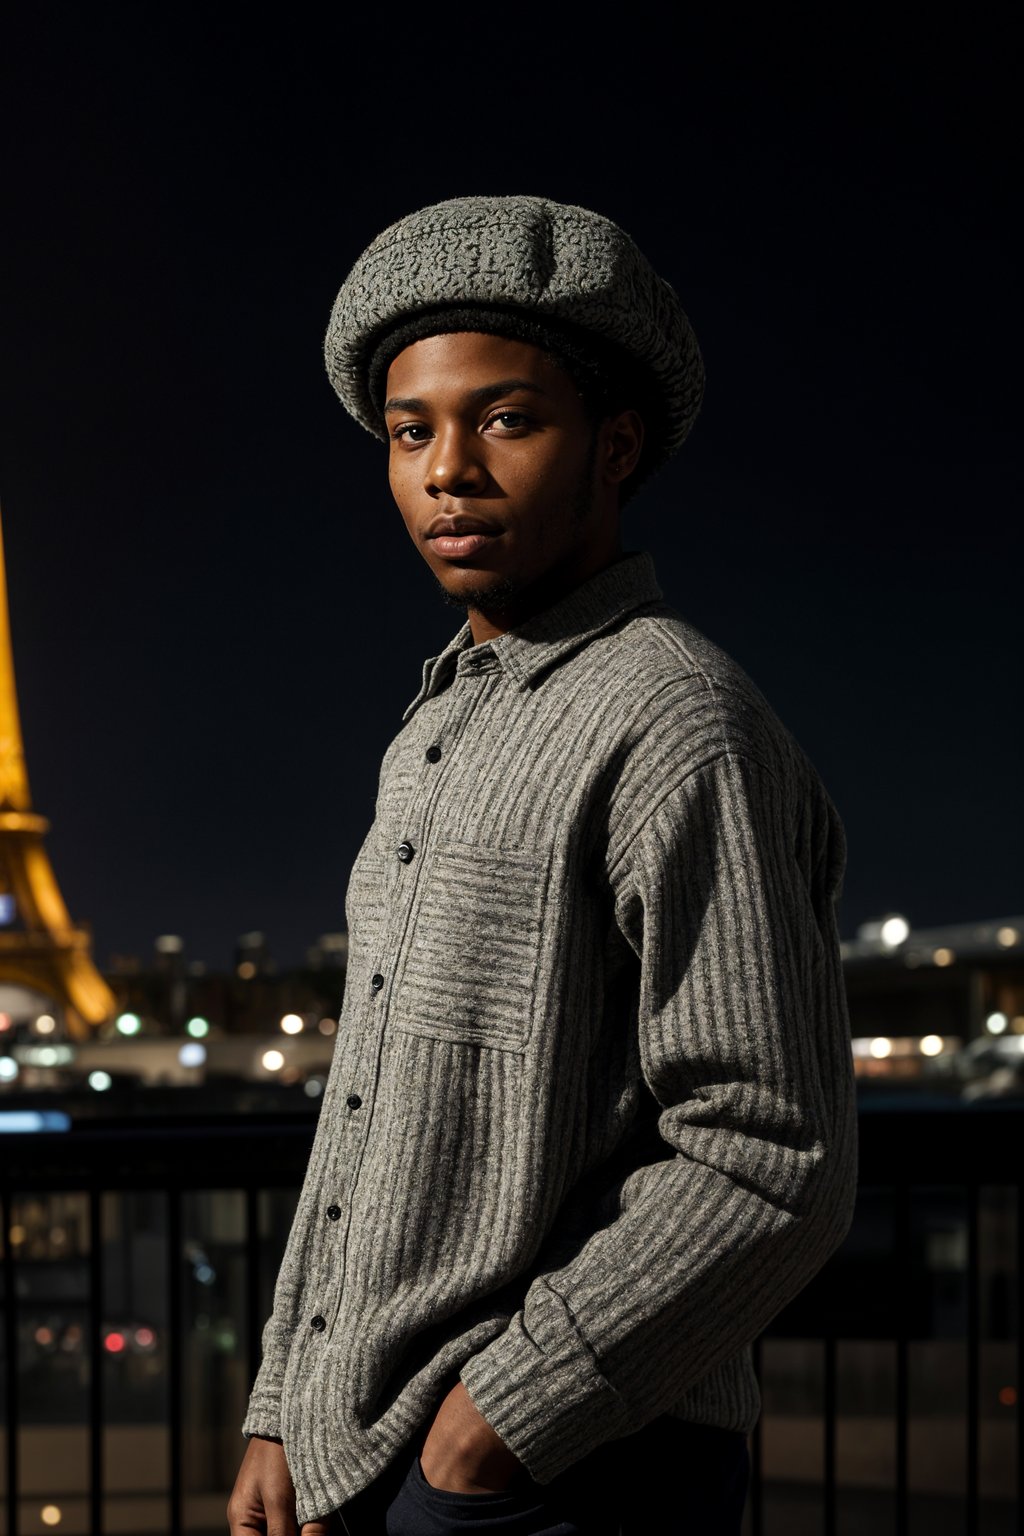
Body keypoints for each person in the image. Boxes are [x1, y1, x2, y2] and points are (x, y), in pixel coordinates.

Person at [227, 195, 857, 1536]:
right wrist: (285, 1402)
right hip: (386, 1453)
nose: (447, 467)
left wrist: (504, 1421)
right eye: (411, 433)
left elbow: (772, 1152)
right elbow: (367, 1114)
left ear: (613, 446)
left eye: (505, 419)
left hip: (569, 1468)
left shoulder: (677, 718)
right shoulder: (437, 726)